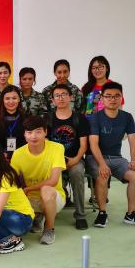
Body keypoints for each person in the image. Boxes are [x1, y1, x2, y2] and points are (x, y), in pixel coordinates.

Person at [86, 82, 135, 228]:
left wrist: (134, 161)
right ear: (102, 99)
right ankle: (102, 213)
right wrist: (102, 164)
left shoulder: (127, 117)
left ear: (121, 98)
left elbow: (133, 140)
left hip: (117, 158)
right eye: (108, 96)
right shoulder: (95, 117)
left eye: (116, 96)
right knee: (103, 174)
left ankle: (131, 214)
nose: (112, 99)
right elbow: (93, 144)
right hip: (96, 158)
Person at [10, 116, 66, 245]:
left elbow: (53, 181)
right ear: (24, 134)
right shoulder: (18, 154)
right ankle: (37, 215)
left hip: (53, 198)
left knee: (46, 189)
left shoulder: (57, 148)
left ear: (45, 132)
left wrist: (28, 189)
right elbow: (11, 180)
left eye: (38, 131)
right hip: (29, 199)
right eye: (29, 132)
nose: (33, 136)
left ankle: (49, 228)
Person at [47, 84, 90, 230]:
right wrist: (56, 162)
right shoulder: (48, 118)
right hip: (54, 161)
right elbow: (45, 144)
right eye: (57, 95)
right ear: (52, 100)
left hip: (74, 159)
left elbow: (84, 145)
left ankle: (80, 216)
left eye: (64, 94)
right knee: (45, 174)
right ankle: (46, 213)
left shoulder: (79, 118)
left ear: (71, 97)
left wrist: (76, 160)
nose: (61, 98)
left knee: (77, 173)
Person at [82, 55, 124, 121]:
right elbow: (82, 109)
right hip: (89, 124)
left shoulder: (114, 86)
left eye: (100, 67)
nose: (97, 70)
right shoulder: (86, 87)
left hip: (108, 124)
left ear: (107, 68)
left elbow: (119, 108)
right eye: (94, 68)